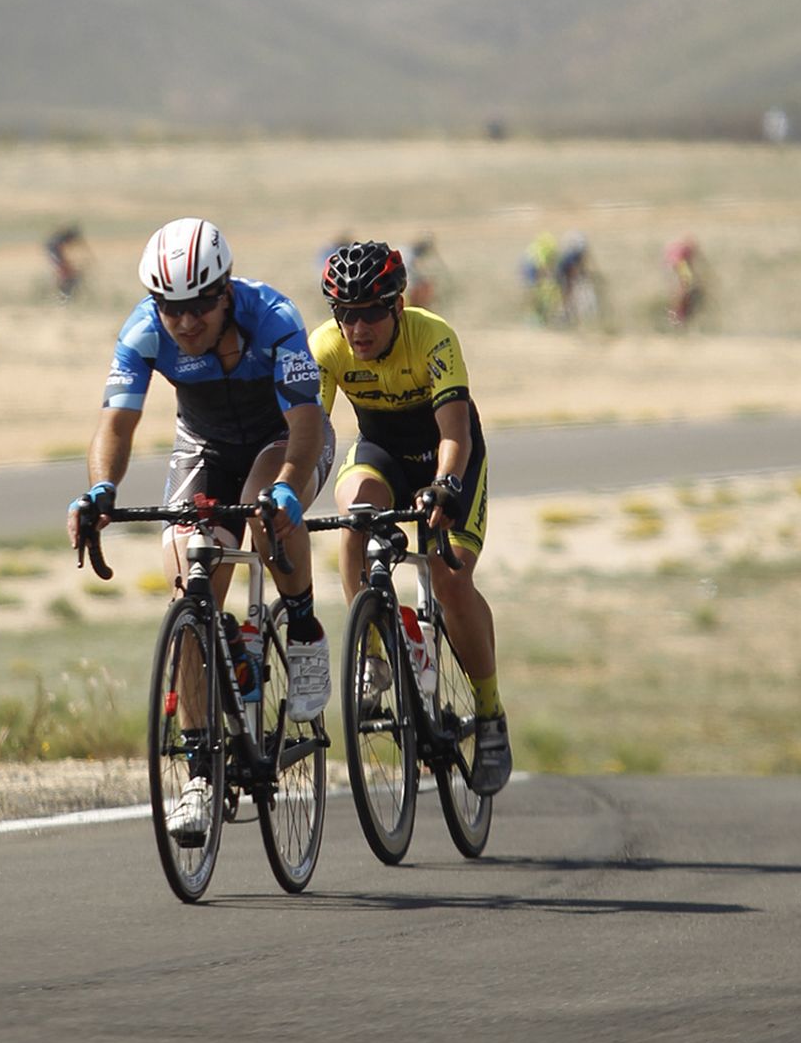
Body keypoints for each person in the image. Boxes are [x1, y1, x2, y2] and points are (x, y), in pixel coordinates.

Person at [67, 217, 335, 841]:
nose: (183, 323)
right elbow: (115, 426)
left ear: (224, 293)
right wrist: (101, 489)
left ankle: (302, 623)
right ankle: (199, 774)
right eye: (170, 308)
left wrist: (290, 490)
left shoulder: (273, 318)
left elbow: (303, 429)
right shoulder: (143, 332)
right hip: (205, 444)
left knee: (262, 514)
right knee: (191, 581)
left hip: (284, 439)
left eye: (197, 307)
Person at [311, 240, 512, 796]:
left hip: (448, 459)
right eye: (345, 314)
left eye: (371, 311)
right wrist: (285, 490)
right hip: (382, 453)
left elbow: (455, 433)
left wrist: (445, 486)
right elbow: (309, 433)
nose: (358, 327)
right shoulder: (326, 347)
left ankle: (491, 714)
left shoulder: (434, 336)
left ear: (397, 306)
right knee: (355, 515)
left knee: (450, 578)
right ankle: (373, 658)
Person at [45, 224, 89, 302]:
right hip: (55, 253)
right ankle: (63, 296)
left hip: (56, 254)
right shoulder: (56, 243)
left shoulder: (59, 240)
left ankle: (65, 295)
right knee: (66, 275)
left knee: (68, 274)